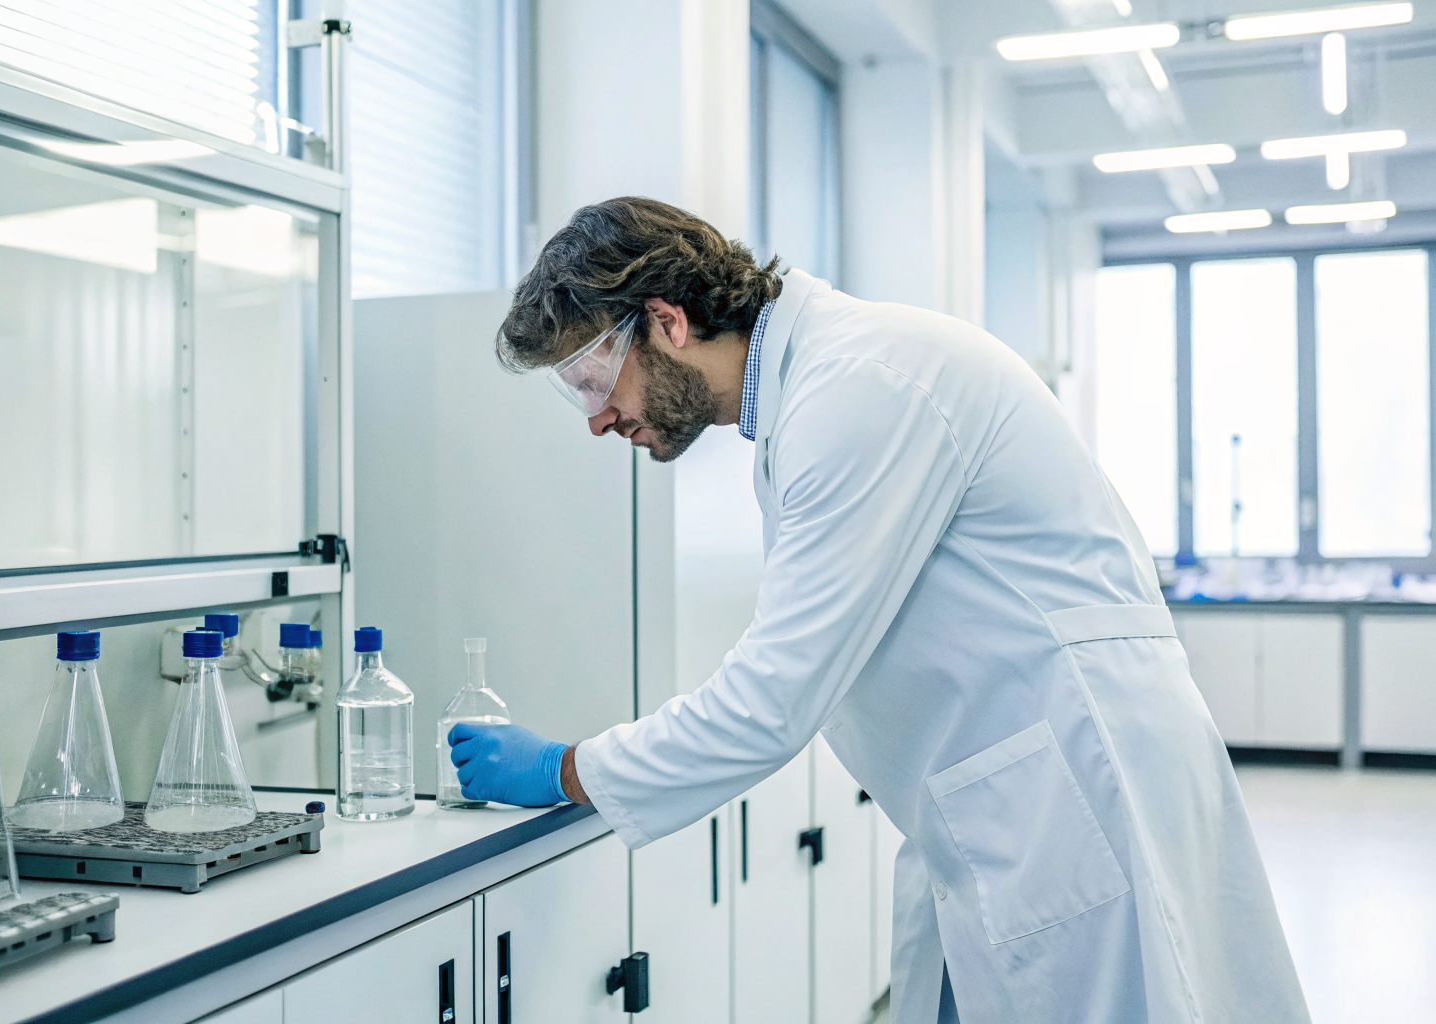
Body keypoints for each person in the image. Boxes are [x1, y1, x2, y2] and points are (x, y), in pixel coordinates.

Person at [447, 196, 1310, 1023]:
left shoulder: (860, 387)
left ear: (667, 322)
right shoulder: (818, 393)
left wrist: (568, 768)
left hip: (1070, 793)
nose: (597, 419)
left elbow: (773, 700)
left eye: (592, 376)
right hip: (1003, 802)